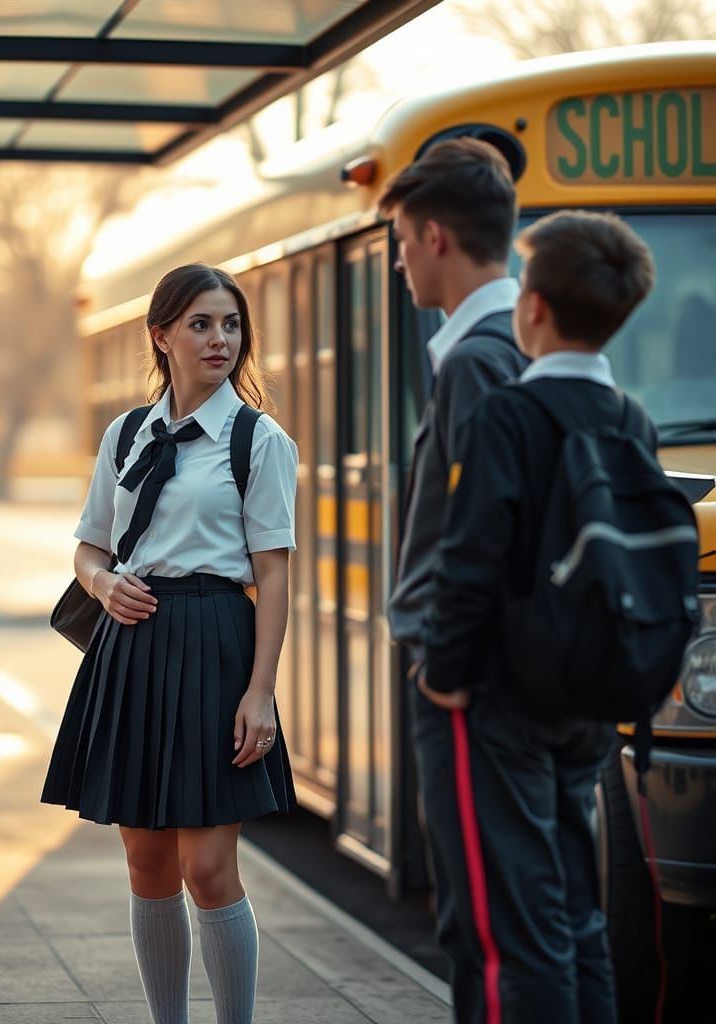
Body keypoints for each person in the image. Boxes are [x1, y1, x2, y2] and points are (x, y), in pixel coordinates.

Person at [415, 210, 656, 1023]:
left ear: (535, 310)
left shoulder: (505, 417)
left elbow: (469, 561)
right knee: (580, 913)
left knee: (521, 926)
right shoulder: (631, 417)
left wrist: (442, 674)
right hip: (590, 696)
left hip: (506, 700)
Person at [41, 264, 297, 1024]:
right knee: (146, 862)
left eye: (230, 324)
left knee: (209, 869)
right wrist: (101, 585)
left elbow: (274, 576)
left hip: (217, 643)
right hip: (132, 646)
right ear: (161, 335)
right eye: (200, 324)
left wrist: (261, 691)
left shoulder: (258, 439)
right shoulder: (126, 433)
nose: (220, 339)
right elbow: (89, 548)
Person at [378, 139, 528, 1014]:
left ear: (435, 237)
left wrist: (442, 669)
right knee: (535, 913)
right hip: (507, 681)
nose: (398, 259)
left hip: (467, 692)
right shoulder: (524, 344)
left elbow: (479, 539)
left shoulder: (475, 362)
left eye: (400, 238)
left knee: (482, 920)